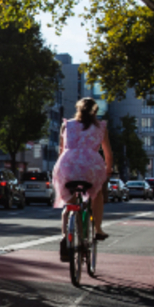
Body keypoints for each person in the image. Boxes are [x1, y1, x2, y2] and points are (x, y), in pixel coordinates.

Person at [52, 98, 114, 260]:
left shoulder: (67, 125)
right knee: (97, 195)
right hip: (92, 167)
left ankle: (66, 236)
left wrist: (61, 170)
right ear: (95, 111)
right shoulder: (101, 127)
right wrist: (108, 171)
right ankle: (98, 229)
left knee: (70, 204)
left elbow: (61, 149)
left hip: (68, 164)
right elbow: (108, 154)